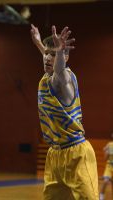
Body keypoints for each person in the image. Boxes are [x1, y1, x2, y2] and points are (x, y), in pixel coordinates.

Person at [31, 24, 99, 199]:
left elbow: (59, 69)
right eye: (46, 53)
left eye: (54, 55)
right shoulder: (47, 75)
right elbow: (49, 58)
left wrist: (59, 52)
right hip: (54, 154)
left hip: (76, 153)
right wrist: (39, 42)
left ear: (64, 57)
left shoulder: (64, 80)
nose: (47, 58)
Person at [99, 133, 113, 200]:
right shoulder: (110, 145)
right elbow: (105, 158)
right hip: (109, 166)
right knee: (105, 181)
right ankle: (101, 196)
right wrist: (106, 152)